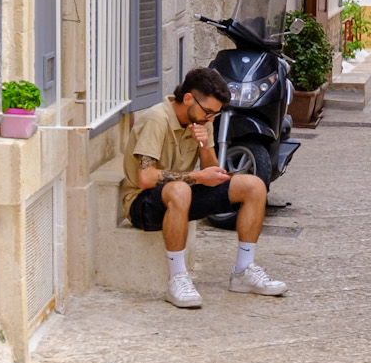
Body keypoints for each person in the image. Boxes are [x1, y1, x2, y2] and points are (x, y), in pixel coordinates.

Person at [121, 67, 287, 308]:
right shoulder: (157, 119)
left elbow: (213, 172)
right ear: (188, 98)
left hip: (183, 196)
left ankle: (243, 271)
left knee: (254, 185)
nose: (210, 119)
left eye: (215, 115)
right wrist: (198, 177)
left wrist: (204, 146)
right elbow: (145, 178)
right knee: (181, 189)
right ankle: (177, 278)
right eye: (208, 112)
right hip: (143, 204)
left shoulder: (201, 120)